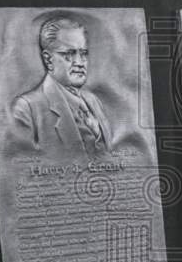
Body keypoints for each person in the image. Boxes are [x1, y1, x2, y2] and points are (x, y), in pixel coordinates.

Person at [11, 14, 113, 159]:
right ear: (48, 60)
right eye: (69, 54)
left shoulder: (93, 101)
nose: (79, 62)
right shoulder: (27, 109)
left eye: (83, 53)